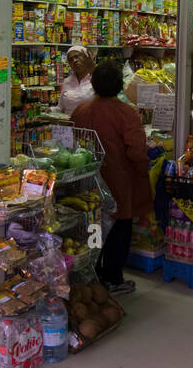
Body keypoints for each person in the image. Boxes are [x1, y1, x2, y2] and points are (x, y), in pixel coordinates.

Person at [70, 61, 153, 295]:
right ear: (119, 86)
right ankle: (113, 279)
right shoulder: (127, 113)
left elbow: (72, 143)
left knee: (93, 229)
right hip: (119, 182)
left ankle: (93, 277)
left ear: (94, 85)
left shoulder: (80, 111)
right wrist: (144, 168)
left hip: (88, 181)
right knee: (119, 229)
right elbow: (136, 151)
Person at [57, 45, 96, 115]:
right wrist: (47, 110)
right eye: (70, 60)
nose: (74, 61)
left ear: (86, 57)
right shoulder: (67, 81)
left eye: (77, 56)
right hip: (70, 124)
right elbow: (60, 108)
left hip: (90, 123)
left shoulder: (96, 79)